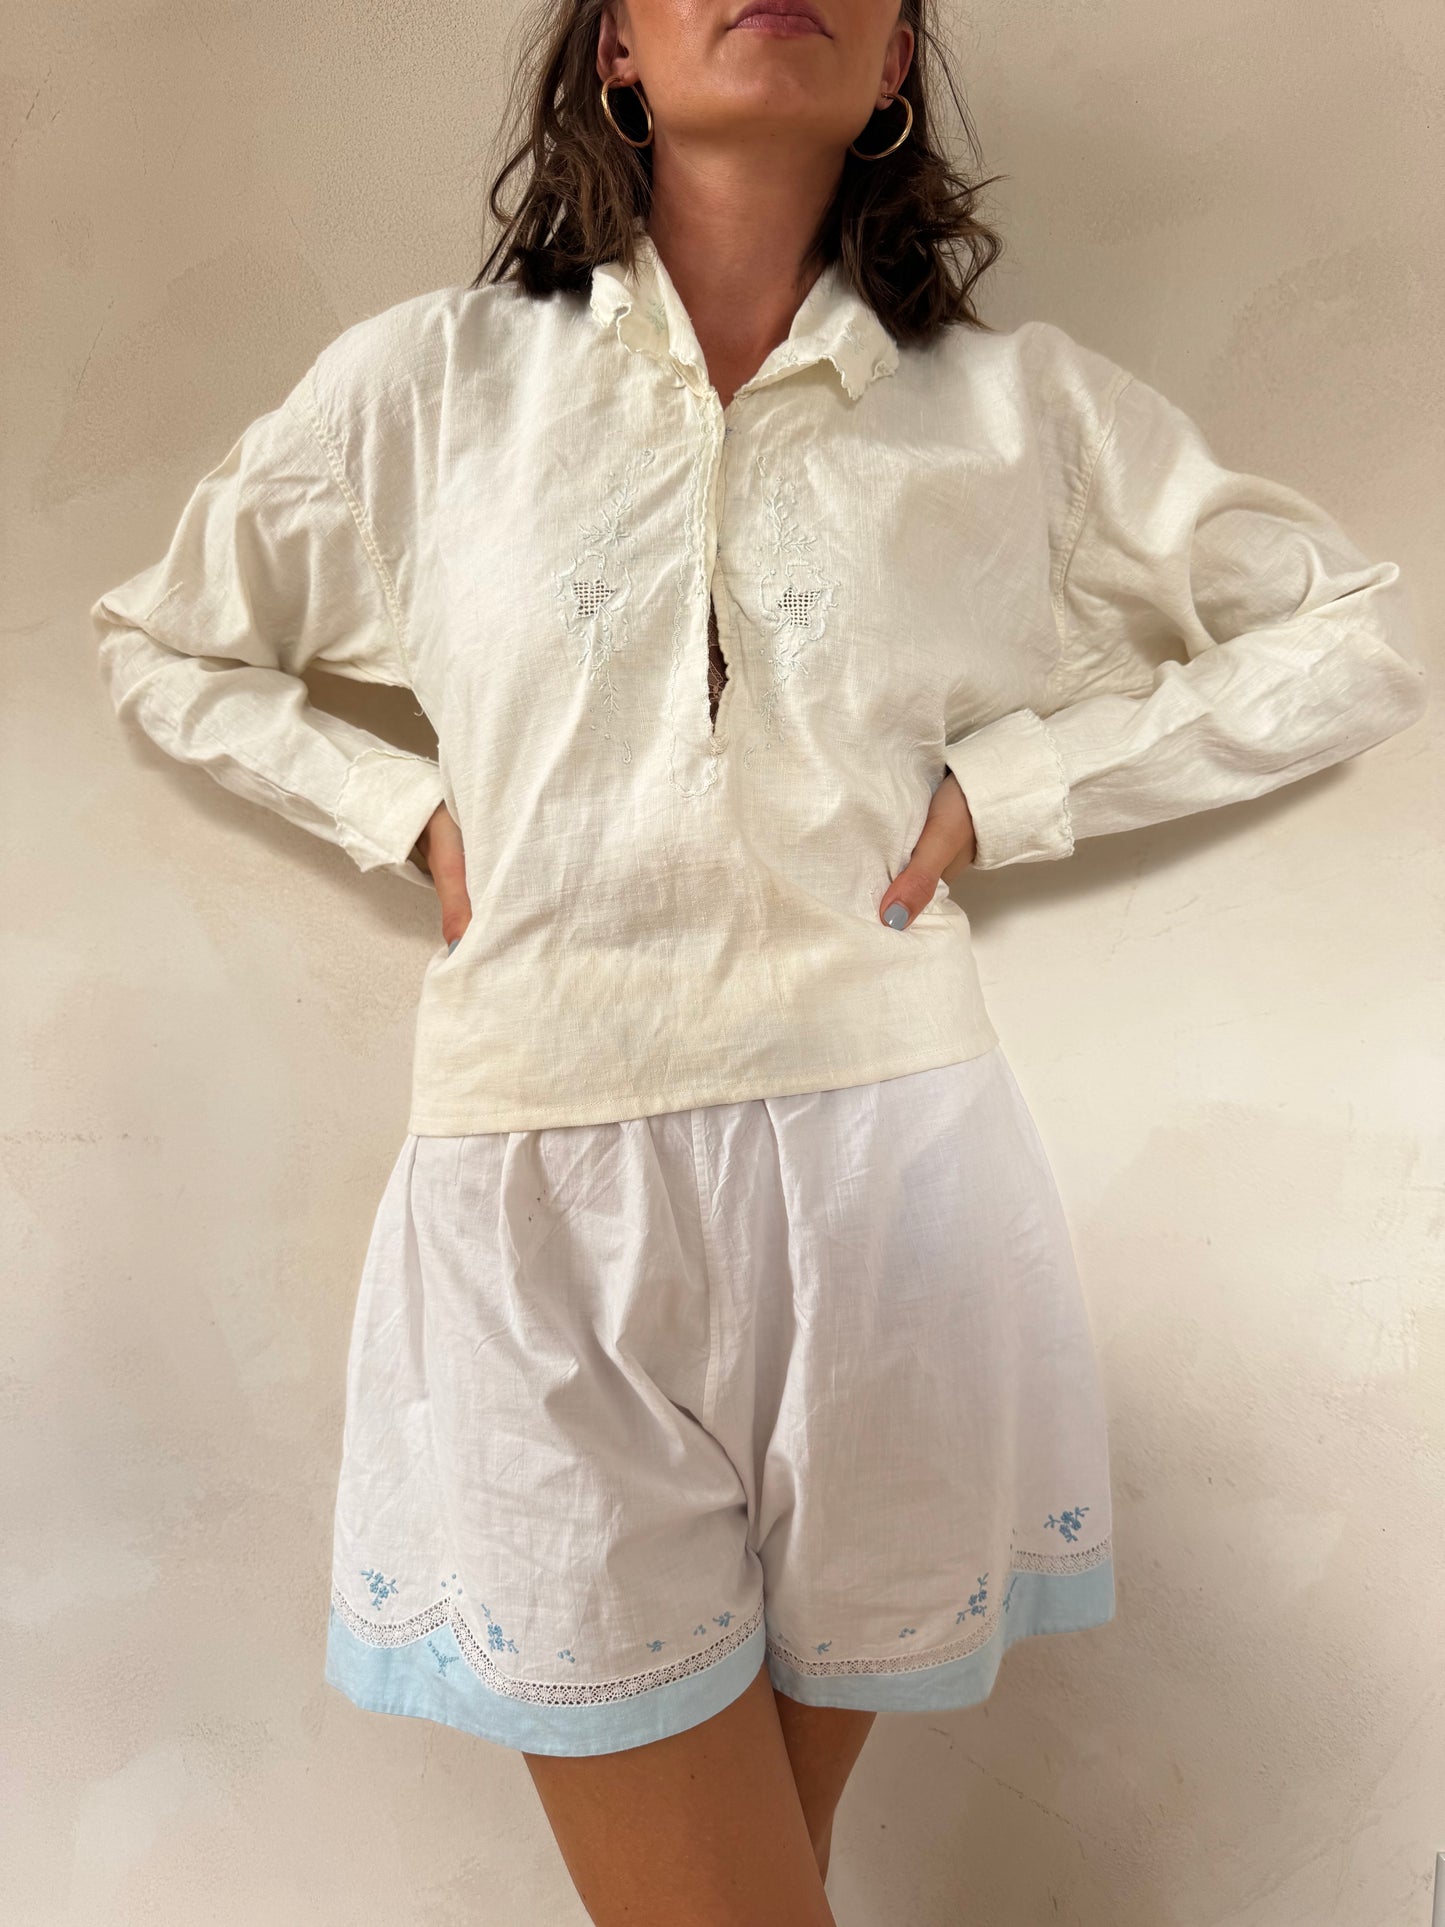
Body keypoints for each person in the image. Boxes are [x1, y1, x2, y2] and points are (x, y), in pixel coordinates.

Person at [89, 0, 1429, 1920]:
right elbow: (166, 640)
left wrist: (1014, 789)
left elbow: (1342, 638)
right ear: (613, 51)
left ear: (890, 67)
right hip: (537, 1176)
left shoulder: (1014, 417)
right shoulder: (429, 389)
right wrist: (401, 813)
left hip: (887, 1175)